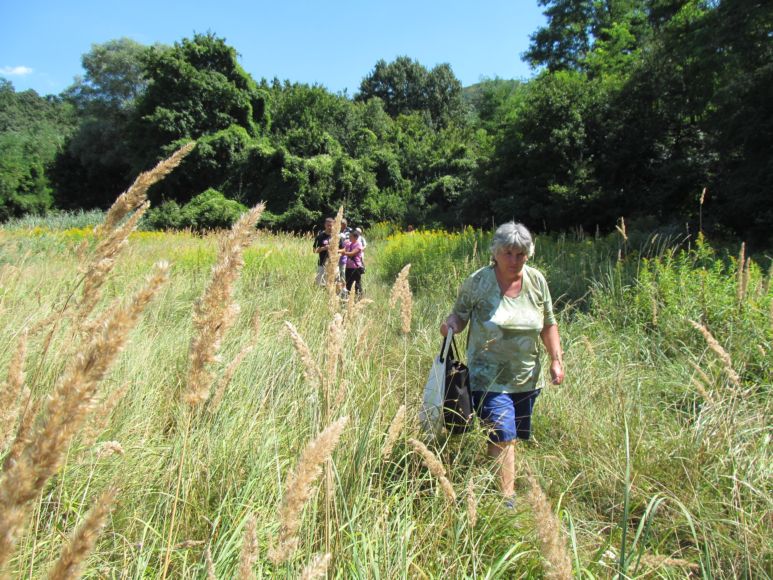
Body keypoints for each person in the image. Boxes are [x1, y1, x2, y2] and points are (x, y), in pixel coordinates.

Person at [440, 222, 564, 505]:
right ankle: (506, 500)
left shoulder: (537, 281)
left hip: (527, 377)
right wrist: (450, 326)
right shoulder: (479, 281)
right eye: (508, 253)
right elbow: (459, 315)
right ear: (495, 253)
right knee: (503, 434)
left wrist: (556, 360)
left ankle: (490, 478)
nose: (514, 260)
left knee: (509, 436)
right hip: (488, 377)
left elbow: (548, 323)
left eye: (521, 254)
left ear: (528, 254)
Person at [342, 229, 365, 298]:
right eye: (349, 236)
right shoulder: (349, 243)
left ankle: (359, 298)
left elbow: (352, 254)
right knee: (348, 283)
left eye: (351, 236)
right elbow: (343, 249)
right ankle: (349, 298)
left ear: (356, 237)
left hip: (356, 268)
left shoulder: (358, 244)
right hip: (348, 267)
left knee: (356, 284)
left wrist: (344, 253)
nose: (349, 237)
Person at [312, 217, 335, 286]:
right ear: (325, 225)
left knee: (332, 284)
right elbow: (314, 250)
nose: (329, 227)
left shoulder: (336, 236)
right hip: (322, 263)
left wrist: (334, 249)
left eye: (331, 225)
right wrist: (324, 248)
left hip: (333, 264)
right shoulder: (320, 236)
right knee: (320, 284)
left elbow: (343, 249)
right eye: (328, 225)